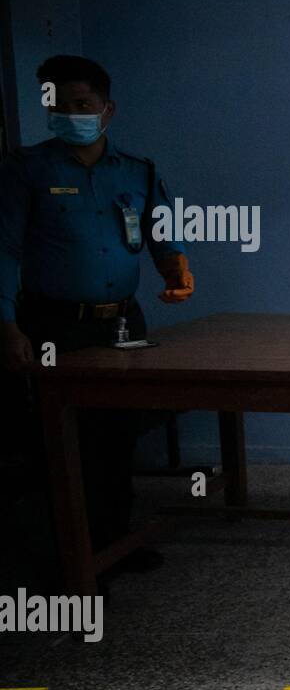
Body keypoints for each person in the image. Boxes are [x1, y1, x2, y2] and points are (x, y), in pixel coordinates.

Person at [0, 55, 194, 573]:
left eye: (81, 104)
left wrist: (175, 268)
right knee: (64, 441)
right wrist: (6, 325)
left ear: (107, 110)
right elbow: (5, 252)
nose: (70, 114)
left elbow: (160, 232)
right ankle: (71, 557)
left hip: (124, 323)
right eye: (58, 106)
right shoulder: (27, 169)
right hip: (55, 324)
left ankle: (115, 541)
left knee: (117, 433)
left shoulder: (137, 170)